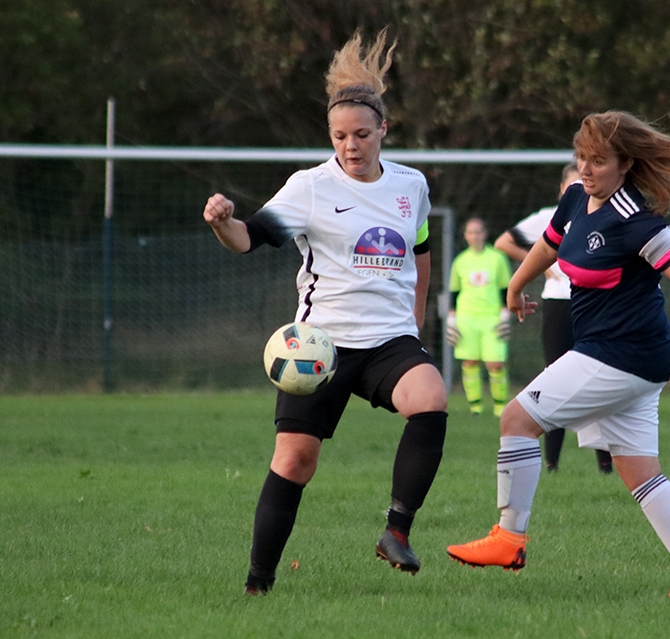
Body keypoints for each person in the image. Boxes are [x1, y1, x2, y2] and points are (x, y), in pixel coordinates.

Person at [446, 111, 670, 596]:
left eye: (598, 160)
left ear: (625, 164)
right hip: (630, 358)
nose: (586, 168)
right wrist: (515, 287)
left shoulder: (637, 222)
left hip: (620, 355)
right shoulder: (576, 199)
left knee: (516, 419)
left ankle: (509, 539)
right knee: (639, 471)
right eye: (581, 157)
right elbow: (548, 246)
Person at [202, 29, 448, 594]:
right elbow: (249, 238)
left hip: (389, 341)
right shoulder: (309, 187)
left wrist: (416, 319)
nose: (350, 146)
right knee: (295, 461)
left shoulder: (411, 185)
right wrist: (222, 223)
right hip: (321, 345)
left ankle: (397, 532)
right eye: (340, 136)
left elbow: (420, 249)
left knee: (431, 398)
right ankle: (258, 583)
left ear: (383, 130)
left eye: (361, 134)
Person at [494, 164, 613, 474]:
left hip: (595, 305)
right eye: (573, 185)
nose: (580, 190)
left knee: (597, 380)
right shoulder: (549, 217)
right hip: (559, 304)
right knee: (555, 377)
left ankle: (606, 464)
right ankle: (552, 464)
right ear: (562, 190)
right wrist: (541, 264)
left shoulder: (606, 215)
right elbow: (503, 242)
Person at [447, 218, 512, 417]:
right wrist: (451, 317)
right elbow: (454, 291)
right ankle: (475, 407)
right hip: (467, 316)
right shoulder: (460, 261)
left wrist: (505, 312)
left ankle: (500, 407)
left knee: (495, 364)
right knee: (470, 362)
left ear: (485, 233)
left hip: (492, 317)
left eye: (478, 231)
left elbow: (505, 288)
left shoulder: (497, 258)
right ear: (465, 235)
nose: (475, 236)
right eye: (471, 232)